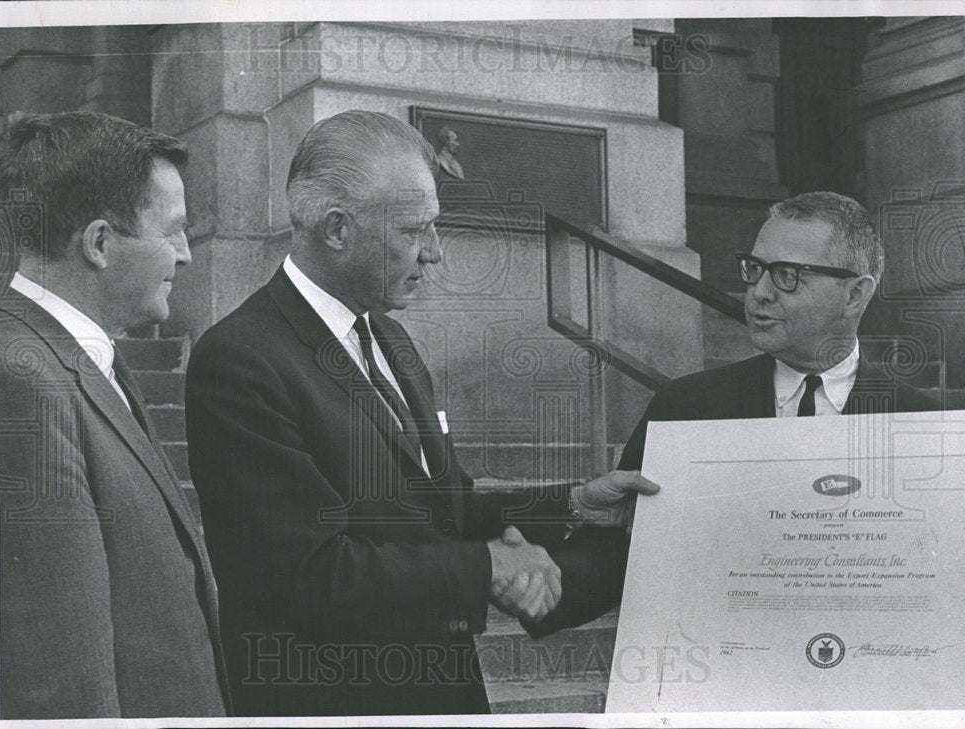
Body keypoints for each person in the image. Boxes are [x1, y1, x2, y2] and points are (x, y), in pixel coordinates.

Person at [184, 110, 657, 716]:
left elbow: (444, 506)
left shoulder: (391, 339)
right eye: (414, 231)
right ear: (336, 229)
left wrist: (571, 502)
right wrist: (488, 566)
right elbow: (306, 574)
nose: (434, 253)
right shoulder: (241, 360)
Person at [0, 111, 229, 718]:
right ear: (99, 243)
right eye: (174, 232)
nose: (187, 257)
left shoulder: (75, 356)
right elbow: (60, 680)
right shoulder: (19, 377)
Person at [618, 191, 937, 473]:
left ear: (854, 295)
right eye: (755, 269)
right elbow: (614, 530)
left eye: (787, 274)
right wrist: (574, 507)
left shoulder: (923, 424)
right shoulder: (684, 406)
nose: (759, 292)